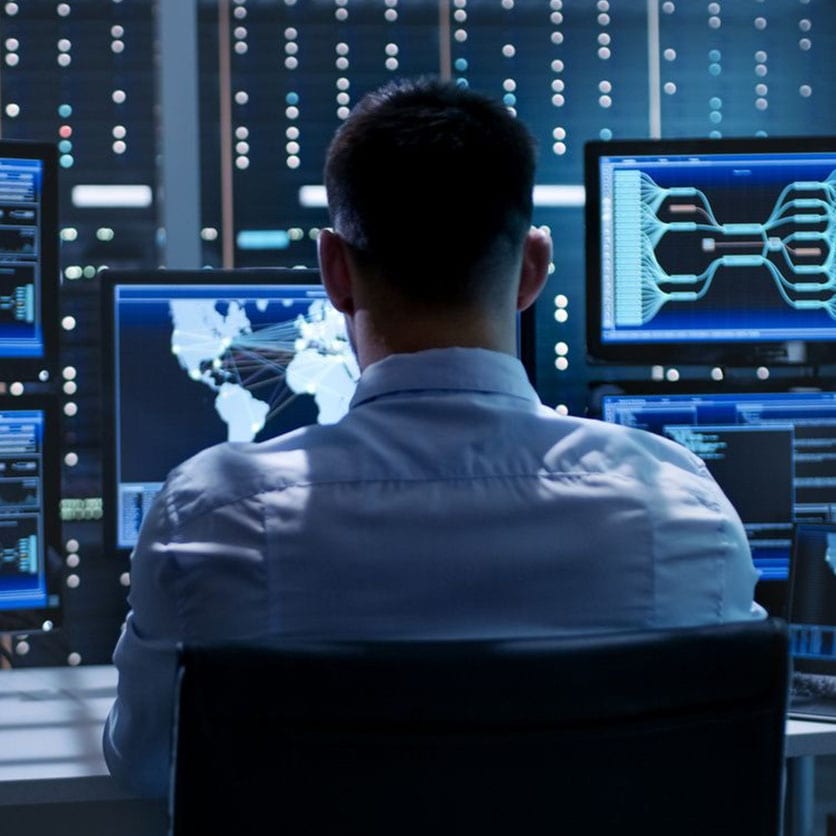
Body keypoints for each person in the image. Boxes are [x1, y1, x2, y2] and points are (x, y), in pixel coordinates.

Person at [103, 76, 765, 798]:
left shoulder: (212, 515)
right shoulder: (681, 508)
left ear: (334, 269)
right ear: (534, 269)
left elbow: (144, 765)